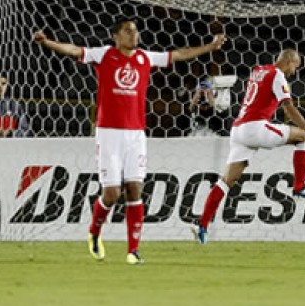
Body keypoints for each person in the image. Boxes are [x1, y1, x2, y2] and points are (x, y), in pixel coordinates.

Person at [33, 21, 224, 264]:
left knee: (135, 189)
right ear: (116, 36)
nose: (134, 34)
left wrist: (210, 47)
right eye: (128, 31)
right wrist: (47, 42)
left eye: (135, 30)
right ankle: (94, 232)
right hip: (109, 134)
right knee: (112, 194)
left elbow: (179, 54)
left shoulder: (145, 57)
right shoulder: (104, 54)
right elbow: (73, 50)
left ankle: (133, 251)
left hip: (136, 135)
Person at [192, 48, 305, 244]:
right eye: (295, 67)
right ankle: (299, 187)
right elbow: (289, 109)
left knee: (226, 181)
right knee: (304, 137)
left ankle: (202, 225)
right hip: (255, 128)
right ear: (289, 61)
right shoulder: (277, 75)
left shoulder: (258, 70)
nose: (293, 72)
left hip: (238, 130)